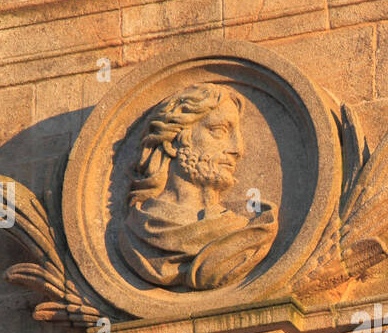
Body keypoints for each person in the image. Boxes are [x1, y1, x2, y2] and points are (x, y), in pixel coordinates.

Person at [117, 83, 277, 289]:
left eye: (236, 135)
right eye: (219, 130)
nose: (238, 149)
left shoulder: (250, 230)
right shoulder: (135, 233)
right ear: (172, 143)